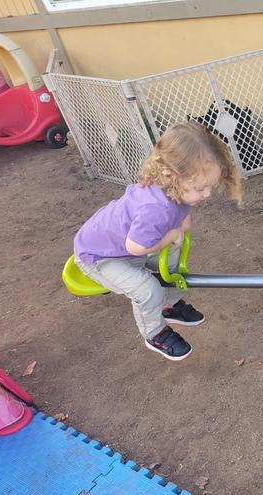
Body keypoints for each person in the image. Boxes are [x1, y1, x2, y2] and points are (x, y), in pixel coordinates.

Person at [73, 121, 242, 361]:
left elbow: (180, 216)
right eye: (200, 188)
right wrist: (173, 234)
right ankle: (154, 331)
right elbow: (136, 247)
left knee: (173, 260)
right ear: (172, 177)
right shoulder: (155, 208)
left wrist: (181, 226)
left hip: (127, 247)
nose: (206, 194)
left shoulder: (175, 189)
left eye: (210, 187)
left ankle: (167, 305)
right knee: (148, 289)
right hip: (99, 256)